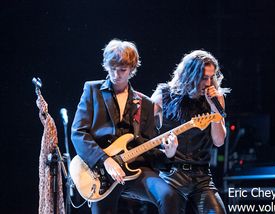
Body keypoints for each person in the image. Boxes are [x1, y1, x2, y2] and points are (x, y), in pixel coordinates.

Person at [71, 39, 181, 214]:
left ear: (132, 69)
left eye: (122, 70)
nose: (116, 74)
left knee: (169, 196)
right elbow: (78, 133)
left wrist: (168, 154)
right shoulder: (92, 90)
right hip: (100, 170)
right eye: (112, 68)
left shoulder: (144, 103)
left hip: (136, 169)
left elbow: (147, 146)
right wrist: (104, 160)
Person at [151, 50, 230, 214]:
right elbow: (143, 132)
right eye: (203, 78)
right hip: (171, 175)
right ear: (190, 75)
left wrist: (215, 108)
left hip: (201, 176)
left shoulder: (216, 98)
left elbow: (219, 141)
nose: (208, 83)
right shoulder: (163, 95)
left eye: (211, 77)